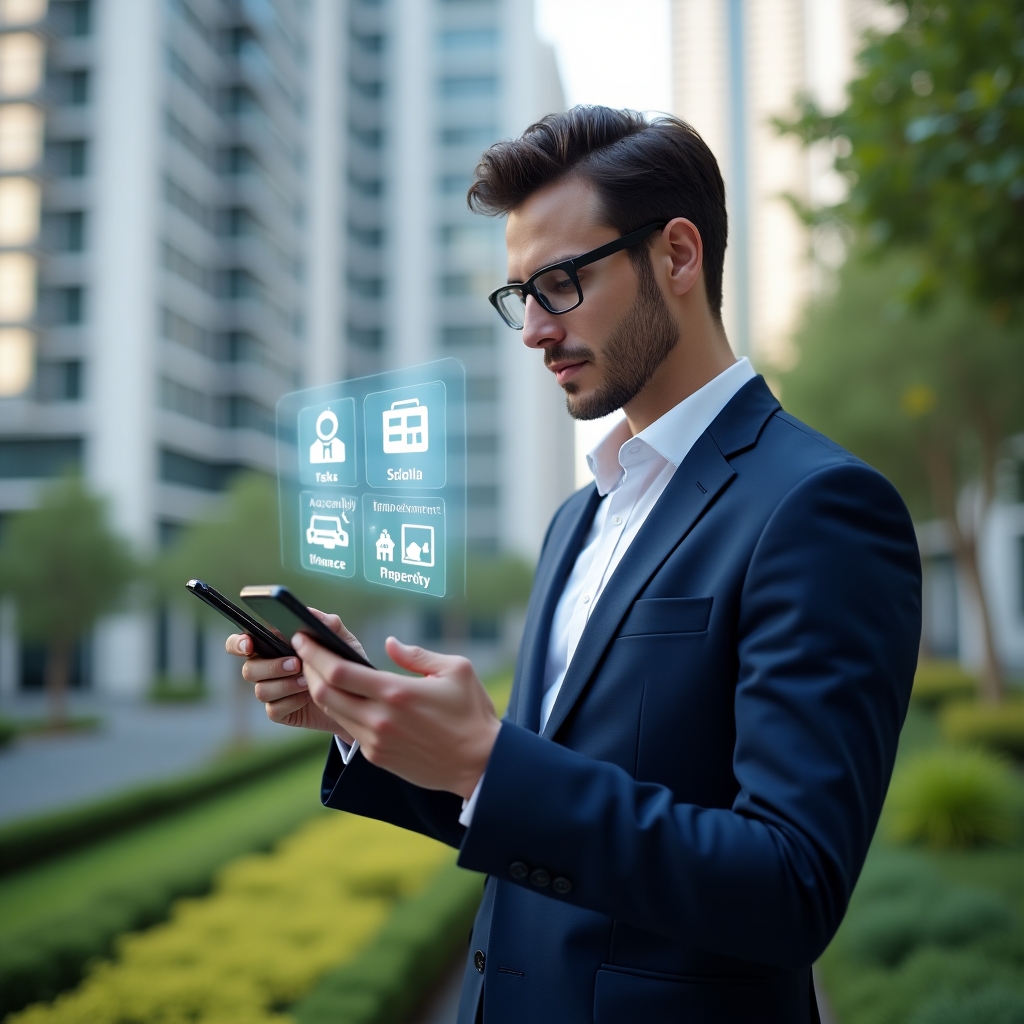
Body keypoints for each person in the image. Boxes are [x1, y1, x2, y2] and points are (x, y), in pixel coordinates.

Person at [227, 107, 921, 1024]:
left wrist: (488, 759)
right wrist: (370, 721)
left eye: (558, 284)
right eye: (519, 295)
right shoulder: (575, 520)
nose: (532, 331)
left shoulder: (820, 507)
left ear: (678, 256)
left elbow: (791, 885)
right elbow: (530, 807)